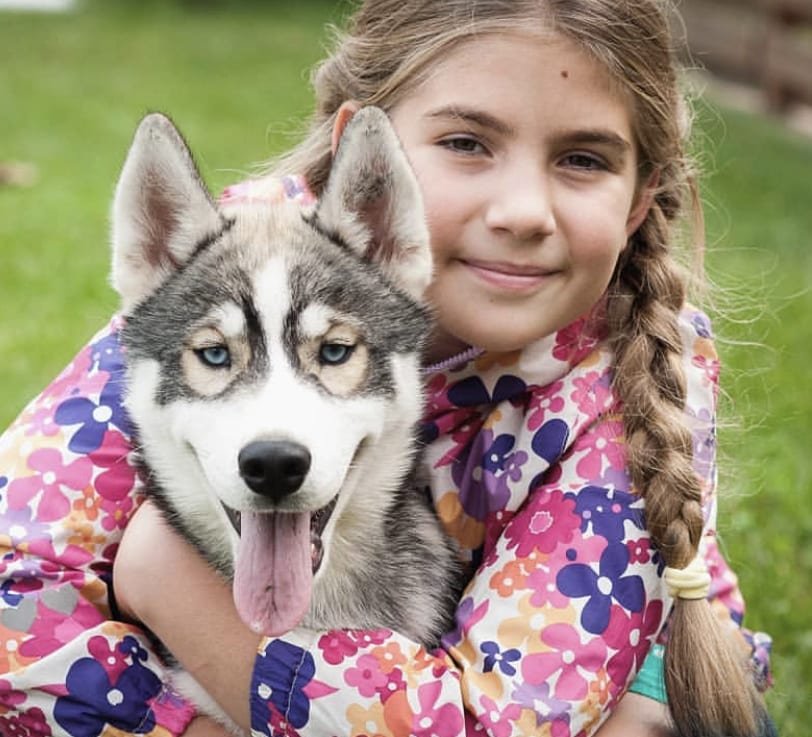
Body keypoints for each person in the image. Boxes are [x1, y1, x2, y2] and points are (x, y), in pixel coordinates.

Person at [0, 1, 774, 736]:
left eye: (581, 158)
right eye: (468, 142)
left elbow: (493, 725)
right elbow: (13, 582)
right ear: (364, 166)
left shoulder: (625, 378)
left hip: (583, 682)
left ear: (641, 199)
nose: (522, 210)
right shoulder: (215, 264)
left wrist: (162, 576)